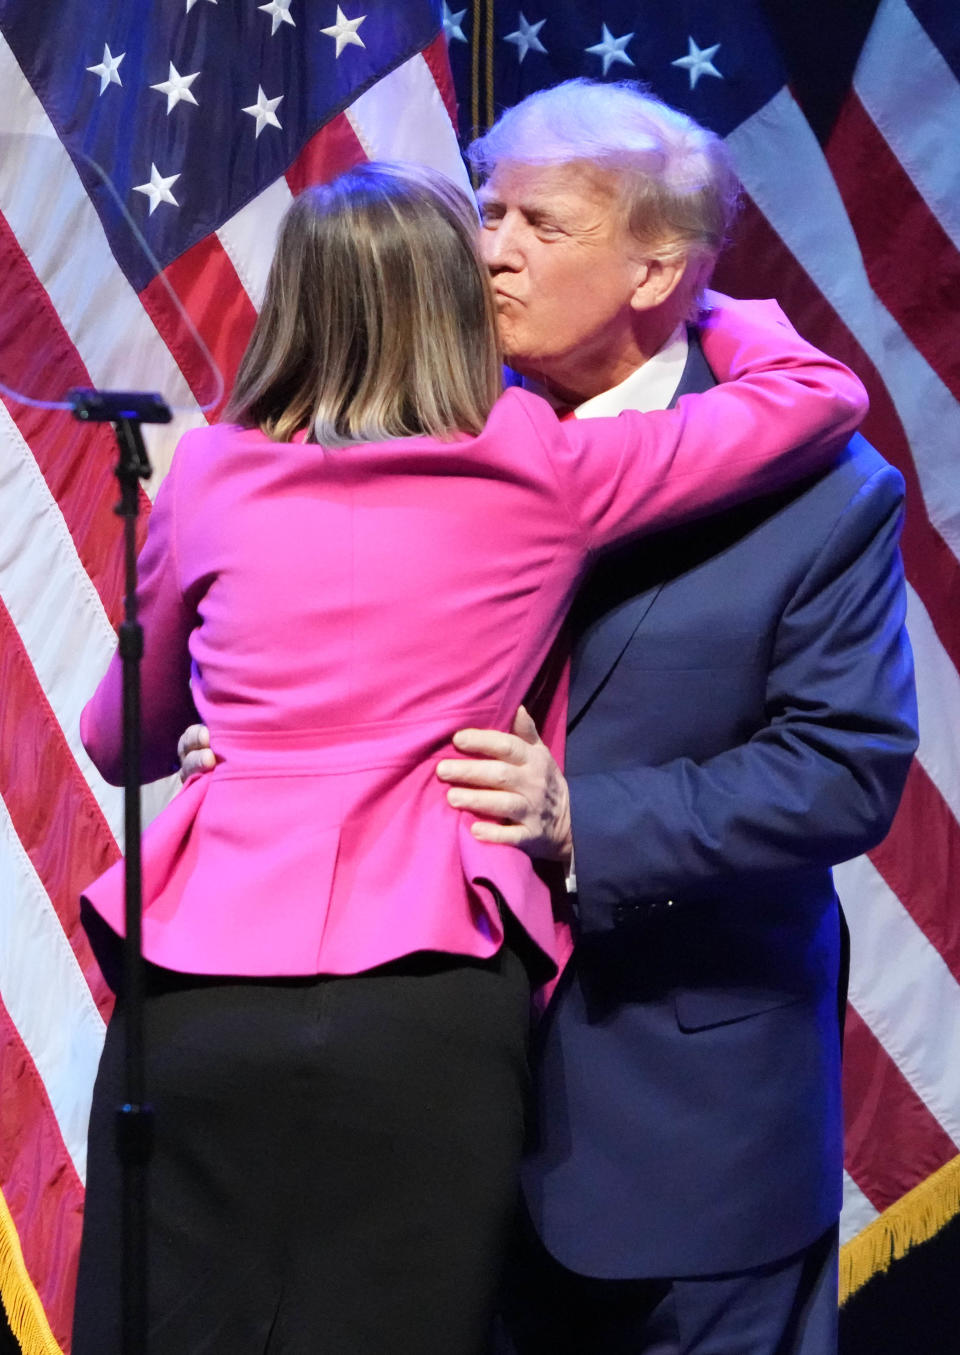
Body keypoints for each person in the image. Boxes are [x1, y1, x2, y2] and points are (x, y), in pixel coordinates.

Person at [74, 161, 865, 1355]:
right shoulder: (537, 465)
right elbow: (816, 393)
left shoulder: (211, 471)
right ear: (452, 299)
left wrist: (225, 717)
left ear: (289, 301)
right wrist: (703, 299)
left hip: (199, 991)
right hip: (429, 992)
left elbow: (111, 737)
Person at [430, 82, 918, 1354]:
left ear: (657, 266)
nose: (491, 247)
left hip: (694, 1141)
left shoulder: (819, 489)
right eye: (487, 210)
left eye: (539, 220)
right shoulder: (422, 437)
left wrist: (578, 819)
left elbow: (841, 768)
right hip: (428, 1119)